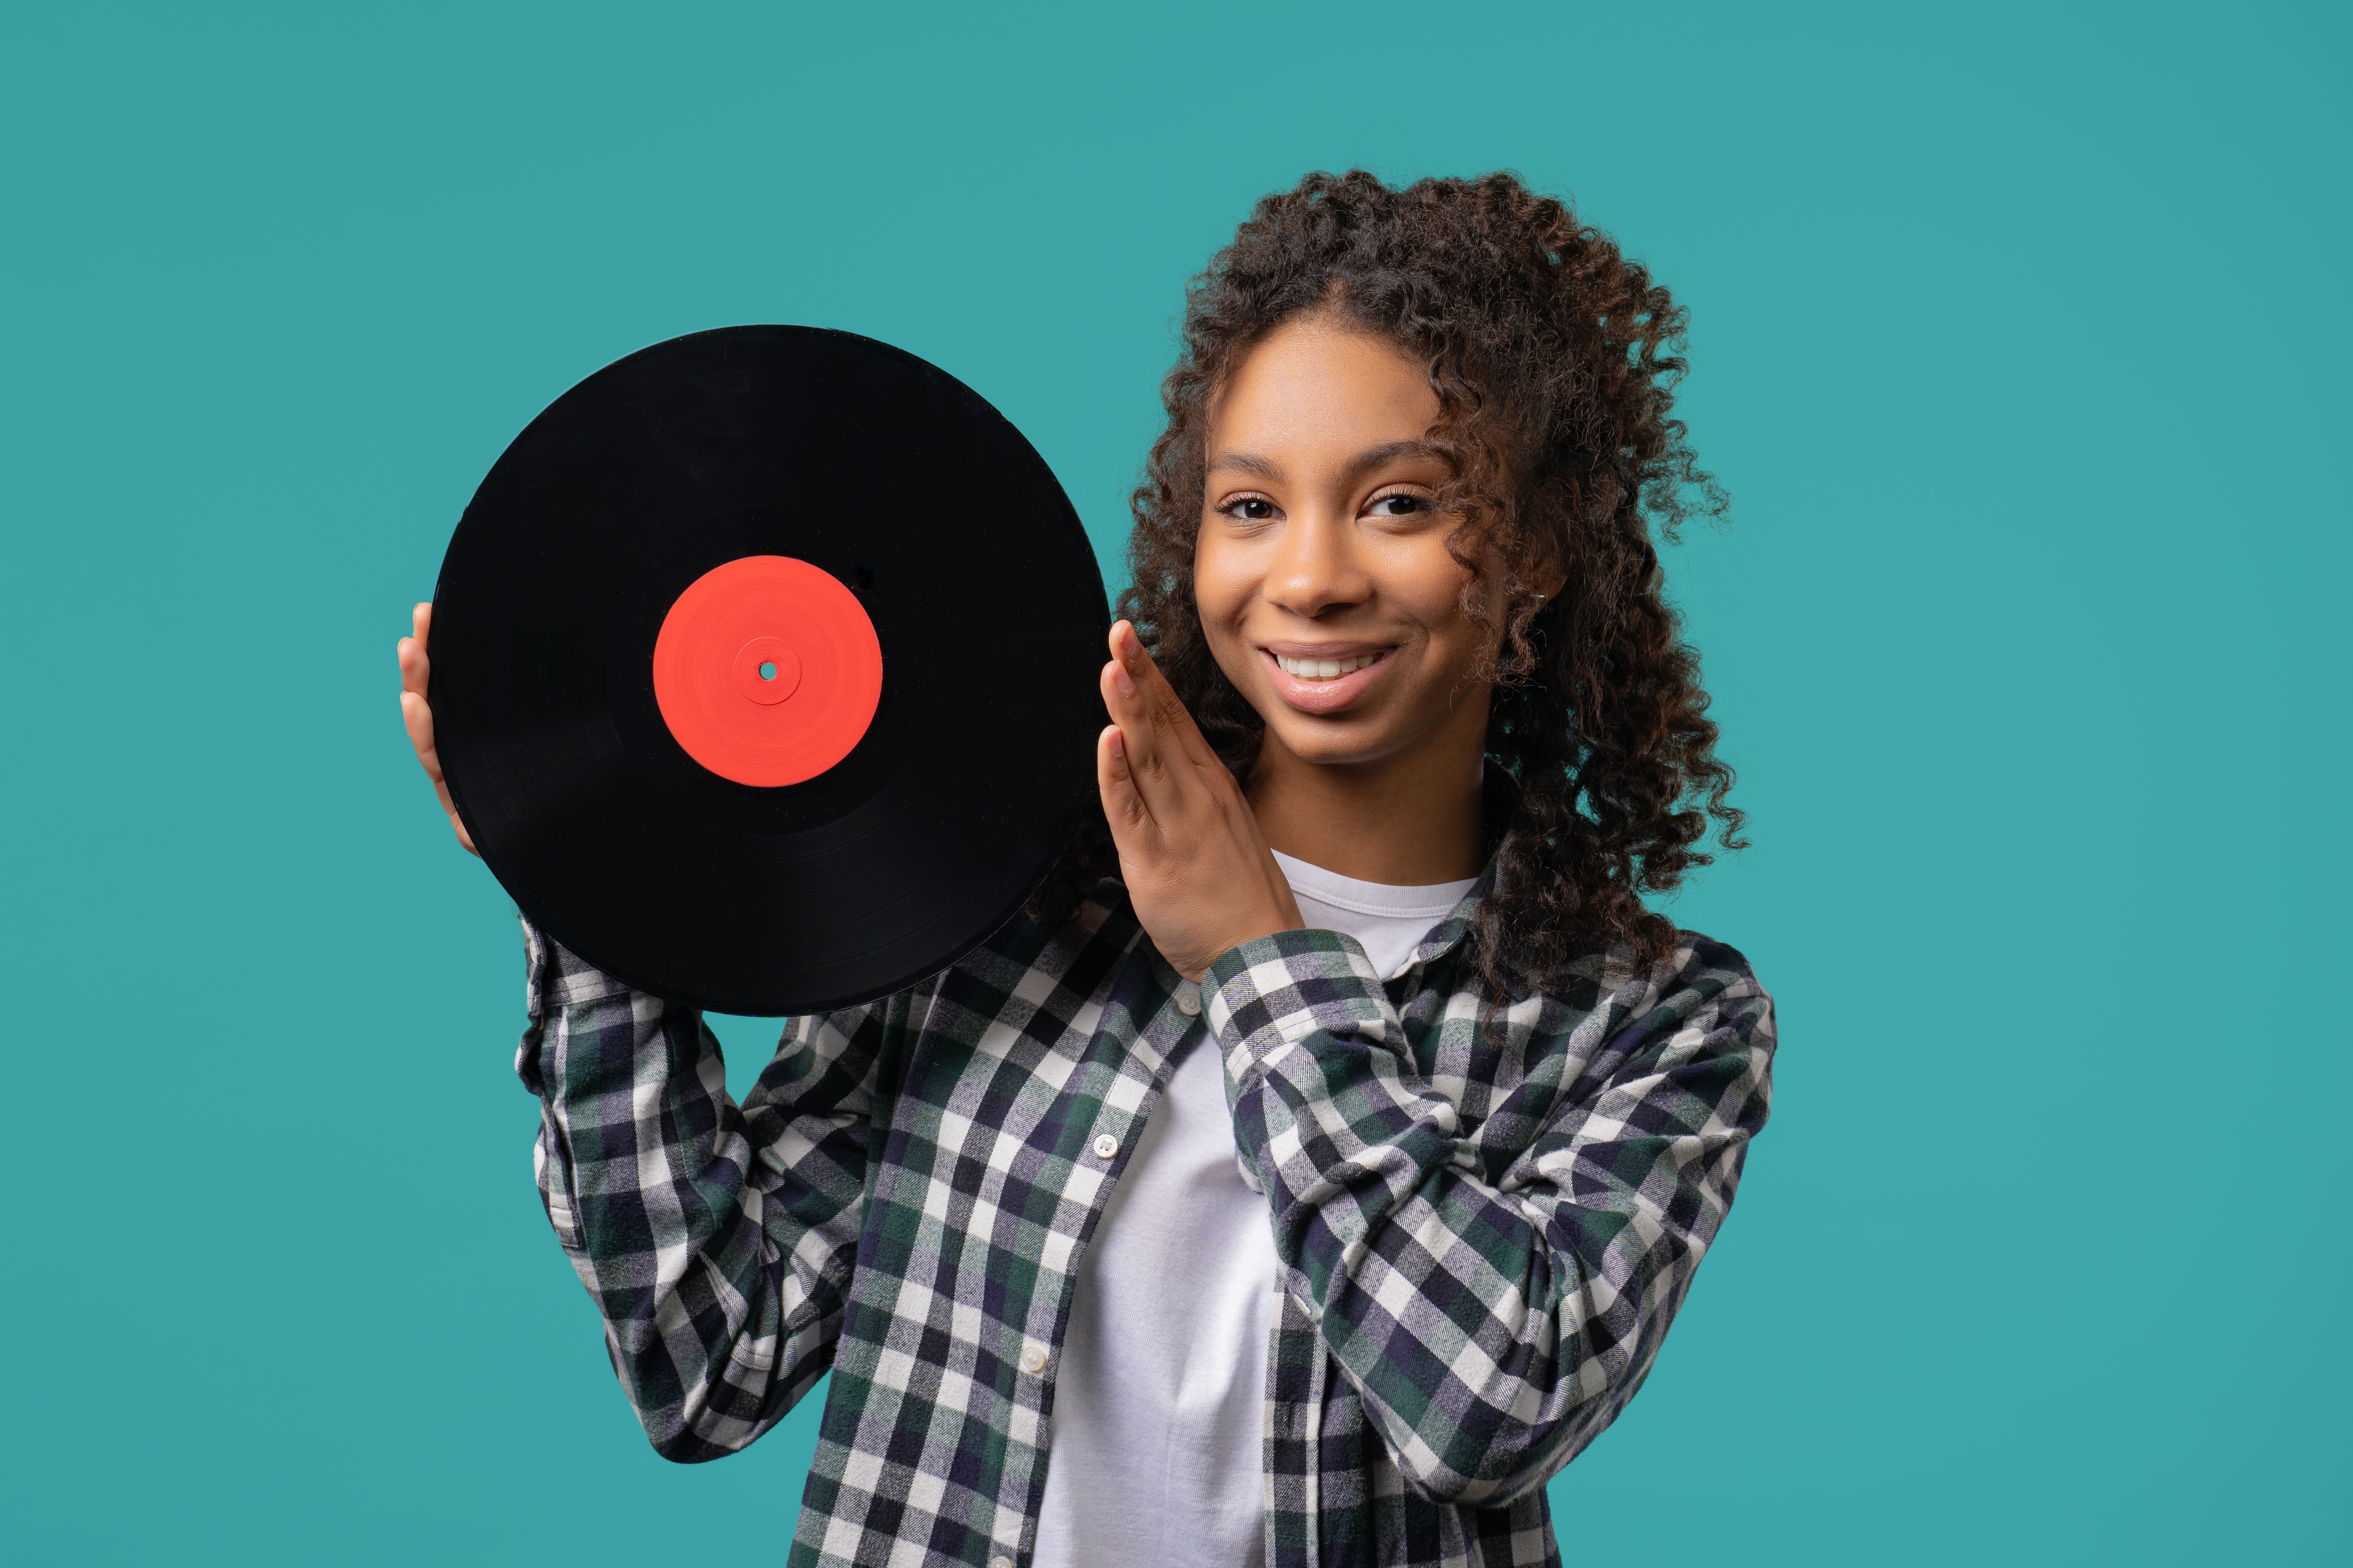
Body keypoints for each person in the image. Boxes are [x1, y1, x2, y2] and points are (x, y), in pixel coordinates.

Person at [396, 168, 1775, 1568]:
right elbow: (711, 1359)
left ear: (1538, 544)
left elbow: (1491, 1407)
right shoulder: (1002, 891)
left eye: (1401, 502)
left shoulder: (1660, 1024)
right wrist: (582, 870)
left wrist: (1258, 963)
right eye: (1250, 507)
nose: (1308, 578)